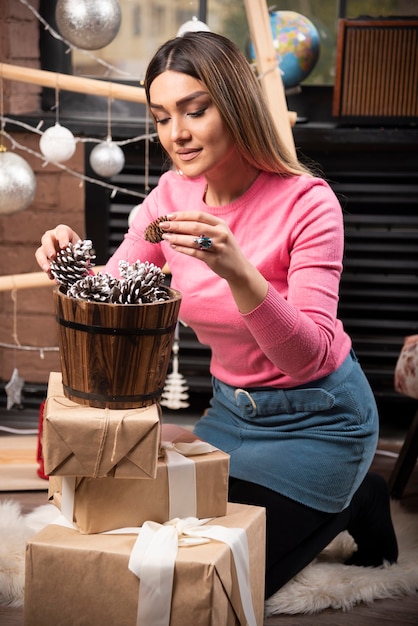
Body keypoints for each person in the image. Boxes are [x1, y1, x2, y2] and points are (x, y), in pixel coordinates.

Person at [36, 31, 398, 598]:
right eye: (160, 117)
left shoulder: (308, 203)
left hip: (320, 422)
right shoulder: (170, 198)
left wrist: (238, 269)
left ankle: (355, 496)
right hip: (231, 416)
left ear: (234, 104)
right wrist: (67, 264)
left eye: (195, 110)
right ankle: (344, 497)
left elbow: (310, 357)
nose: (176, 134)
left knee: (224, 583)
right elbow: (108, 293)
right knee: (160, 556)